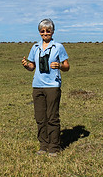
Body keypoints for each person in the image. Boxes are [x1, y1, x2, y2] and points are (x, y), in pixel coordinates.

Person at [22, 18, 70, 157]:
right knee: (40, 117)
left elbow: (67, 66)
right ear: (39, 32)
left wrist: (59, 66)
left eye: (48, 31)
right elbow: (32, 67)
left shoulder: (58, 47)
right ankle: (43, 145)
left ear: (52, 31)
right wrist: (26, 65)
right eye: (42, 31)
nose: (45, 33)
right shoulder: (35, 47)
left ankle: (54, 147)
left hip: (52, 86)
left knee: (52, 117)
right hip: (37, 86)